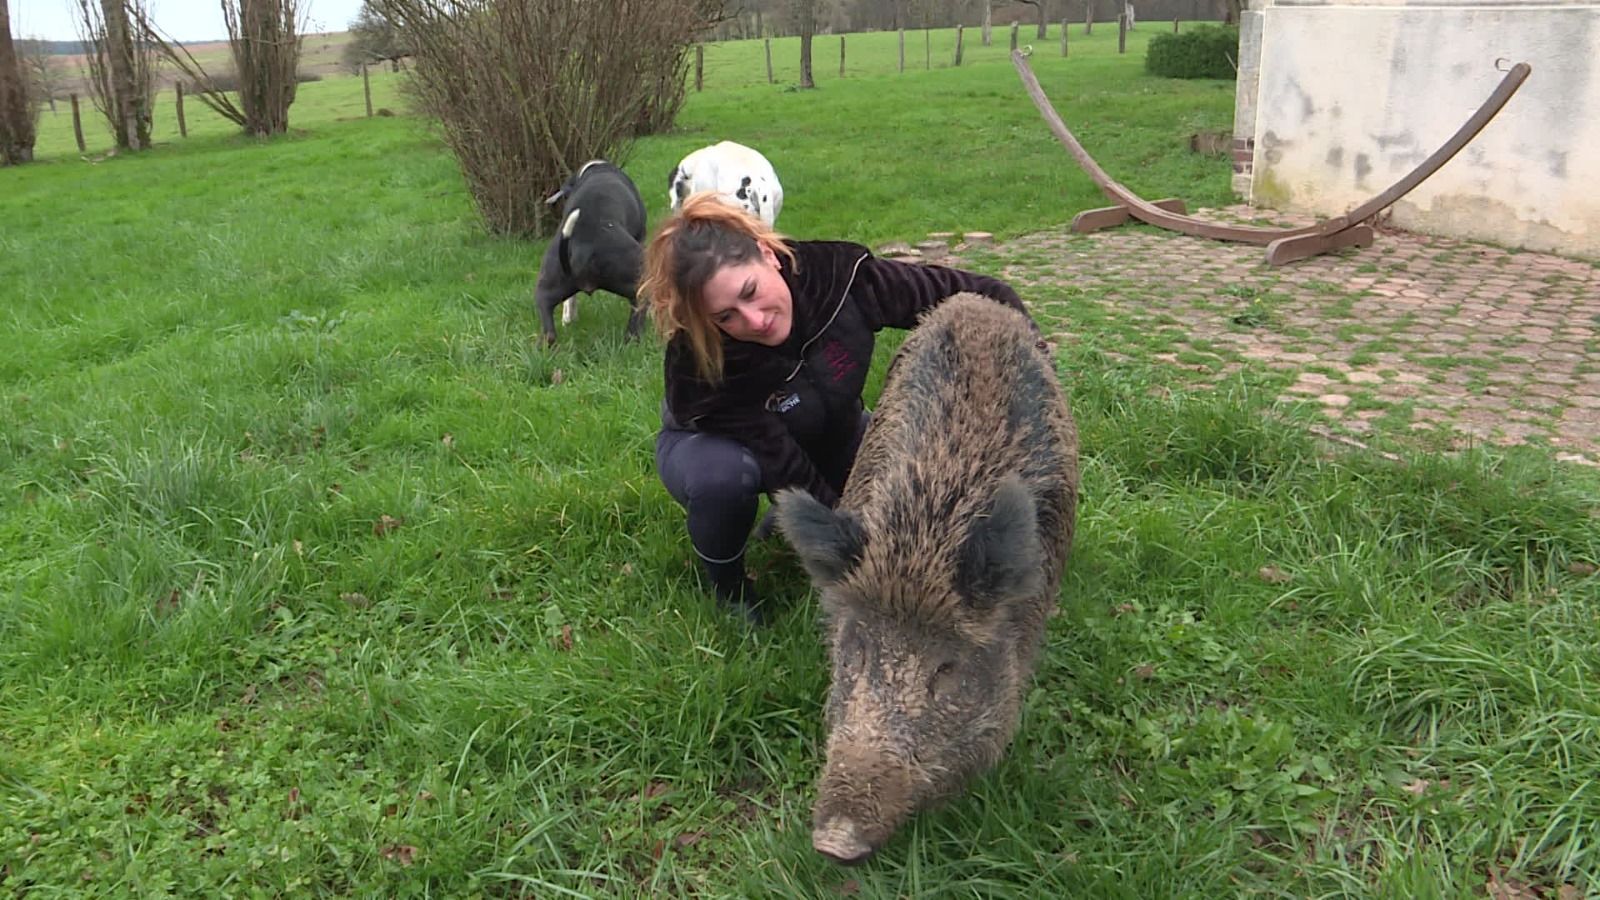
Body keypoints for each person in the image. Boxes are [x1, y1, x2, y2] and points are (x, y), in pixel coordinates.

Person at [641, 193, 1042, 623]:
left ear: (767, 254)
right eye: (727, 316)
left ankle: (784, 520)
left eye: (751, 292)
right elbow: (778, 459)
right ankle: (729, 588)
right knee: (725, 479)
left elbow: (978, 295)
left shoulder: (841, 280)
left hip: (827, 426)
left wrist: (1034, 362)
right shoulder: (706, 368)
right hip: (715, 445)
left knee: (903, 488)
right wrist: (853, 550)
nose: (753, 321)